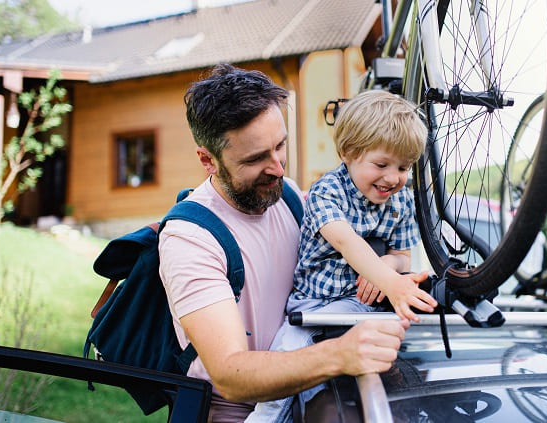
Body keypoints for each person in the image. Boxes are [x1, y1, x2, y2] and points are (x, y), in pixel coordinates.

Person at [158, 63, 411, 422]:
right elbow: (230, 375)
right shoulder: (191, 240)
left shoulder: (288, 195)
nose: (277, 167)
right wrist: (338, 355)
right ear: (207, 160)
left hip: (313, 401)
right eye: (256, 158)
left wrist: (389, 265)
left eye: (280, 146)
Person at [247, 90, 438, 422]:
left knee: (349, 384)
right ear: (349, 153)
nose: (393, 178)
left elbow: (402, 256)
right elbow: (347, 242)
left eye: (404, 167)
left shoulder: (403, 202)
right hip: (313, 307)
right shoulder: (328, 191)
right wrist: (392, 284)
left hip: (358, 306)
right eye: (381, 164)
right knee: (286, 366)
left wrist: (385, 268)